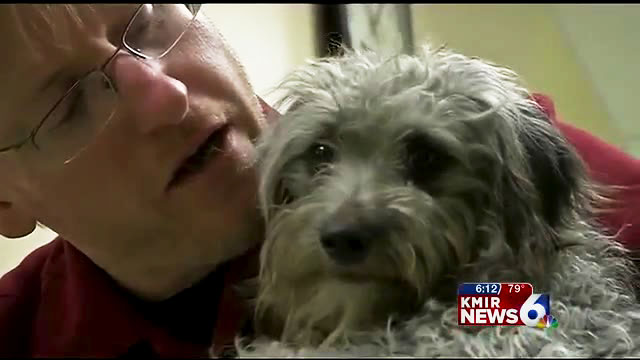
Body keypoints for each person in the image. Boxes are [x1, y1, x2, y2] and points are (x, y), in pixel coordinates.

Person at [0, 4, 637, 358]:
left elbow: (544, 300)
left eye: (147, 23)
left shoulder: (502, 149)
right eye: (71, 101)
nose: (164, 96)